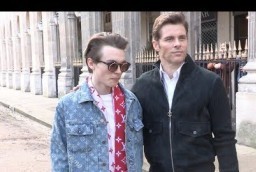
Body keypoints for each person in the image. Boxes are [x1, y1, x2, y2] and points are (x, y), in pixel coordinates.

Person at [131, 12, 239, 172]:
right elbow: (126, 128)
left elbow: (225, 138)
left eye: (182, 38)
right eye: (169, 39)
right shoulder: (142, 85)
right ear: (156, 45)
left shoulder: (210, 83)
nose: (178, 44)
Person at [50, 32, 144, 172]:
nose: (119, 72)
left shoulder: (132, 102)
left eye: (123, 66)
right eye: (112, 65)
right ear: (91, 63)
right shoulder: (67, 106)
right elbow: (59, 156)